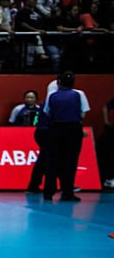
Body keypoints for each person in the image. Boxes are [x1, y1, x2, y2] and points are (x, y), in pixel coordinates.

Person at [42, 71, 90, 202]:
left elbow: (47, 112)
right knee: (70, 161)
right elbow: (83, 114)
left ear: (58, 82)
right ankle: (67, 192)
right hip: (73, 130)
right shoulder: (79, 94)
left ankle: (48, 192)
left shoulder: (52, 95)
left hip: (55, 129)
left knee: (52, 161)